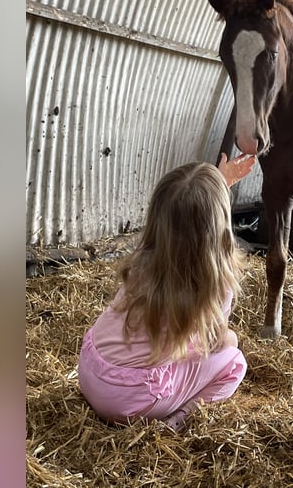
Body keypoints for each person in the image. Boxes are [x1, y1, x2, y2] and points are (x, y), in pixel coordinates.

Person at [78, 153, 256, 430]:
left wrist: (222, 181)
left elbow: (186, 217)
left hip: (89, 373)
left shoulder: (142, 259)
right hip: (133, 400)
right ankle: (177, 421)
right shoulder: (218, 280)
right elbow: (213, 341)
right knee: (233, 359)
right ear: (220, 225)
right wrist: (229, 339)